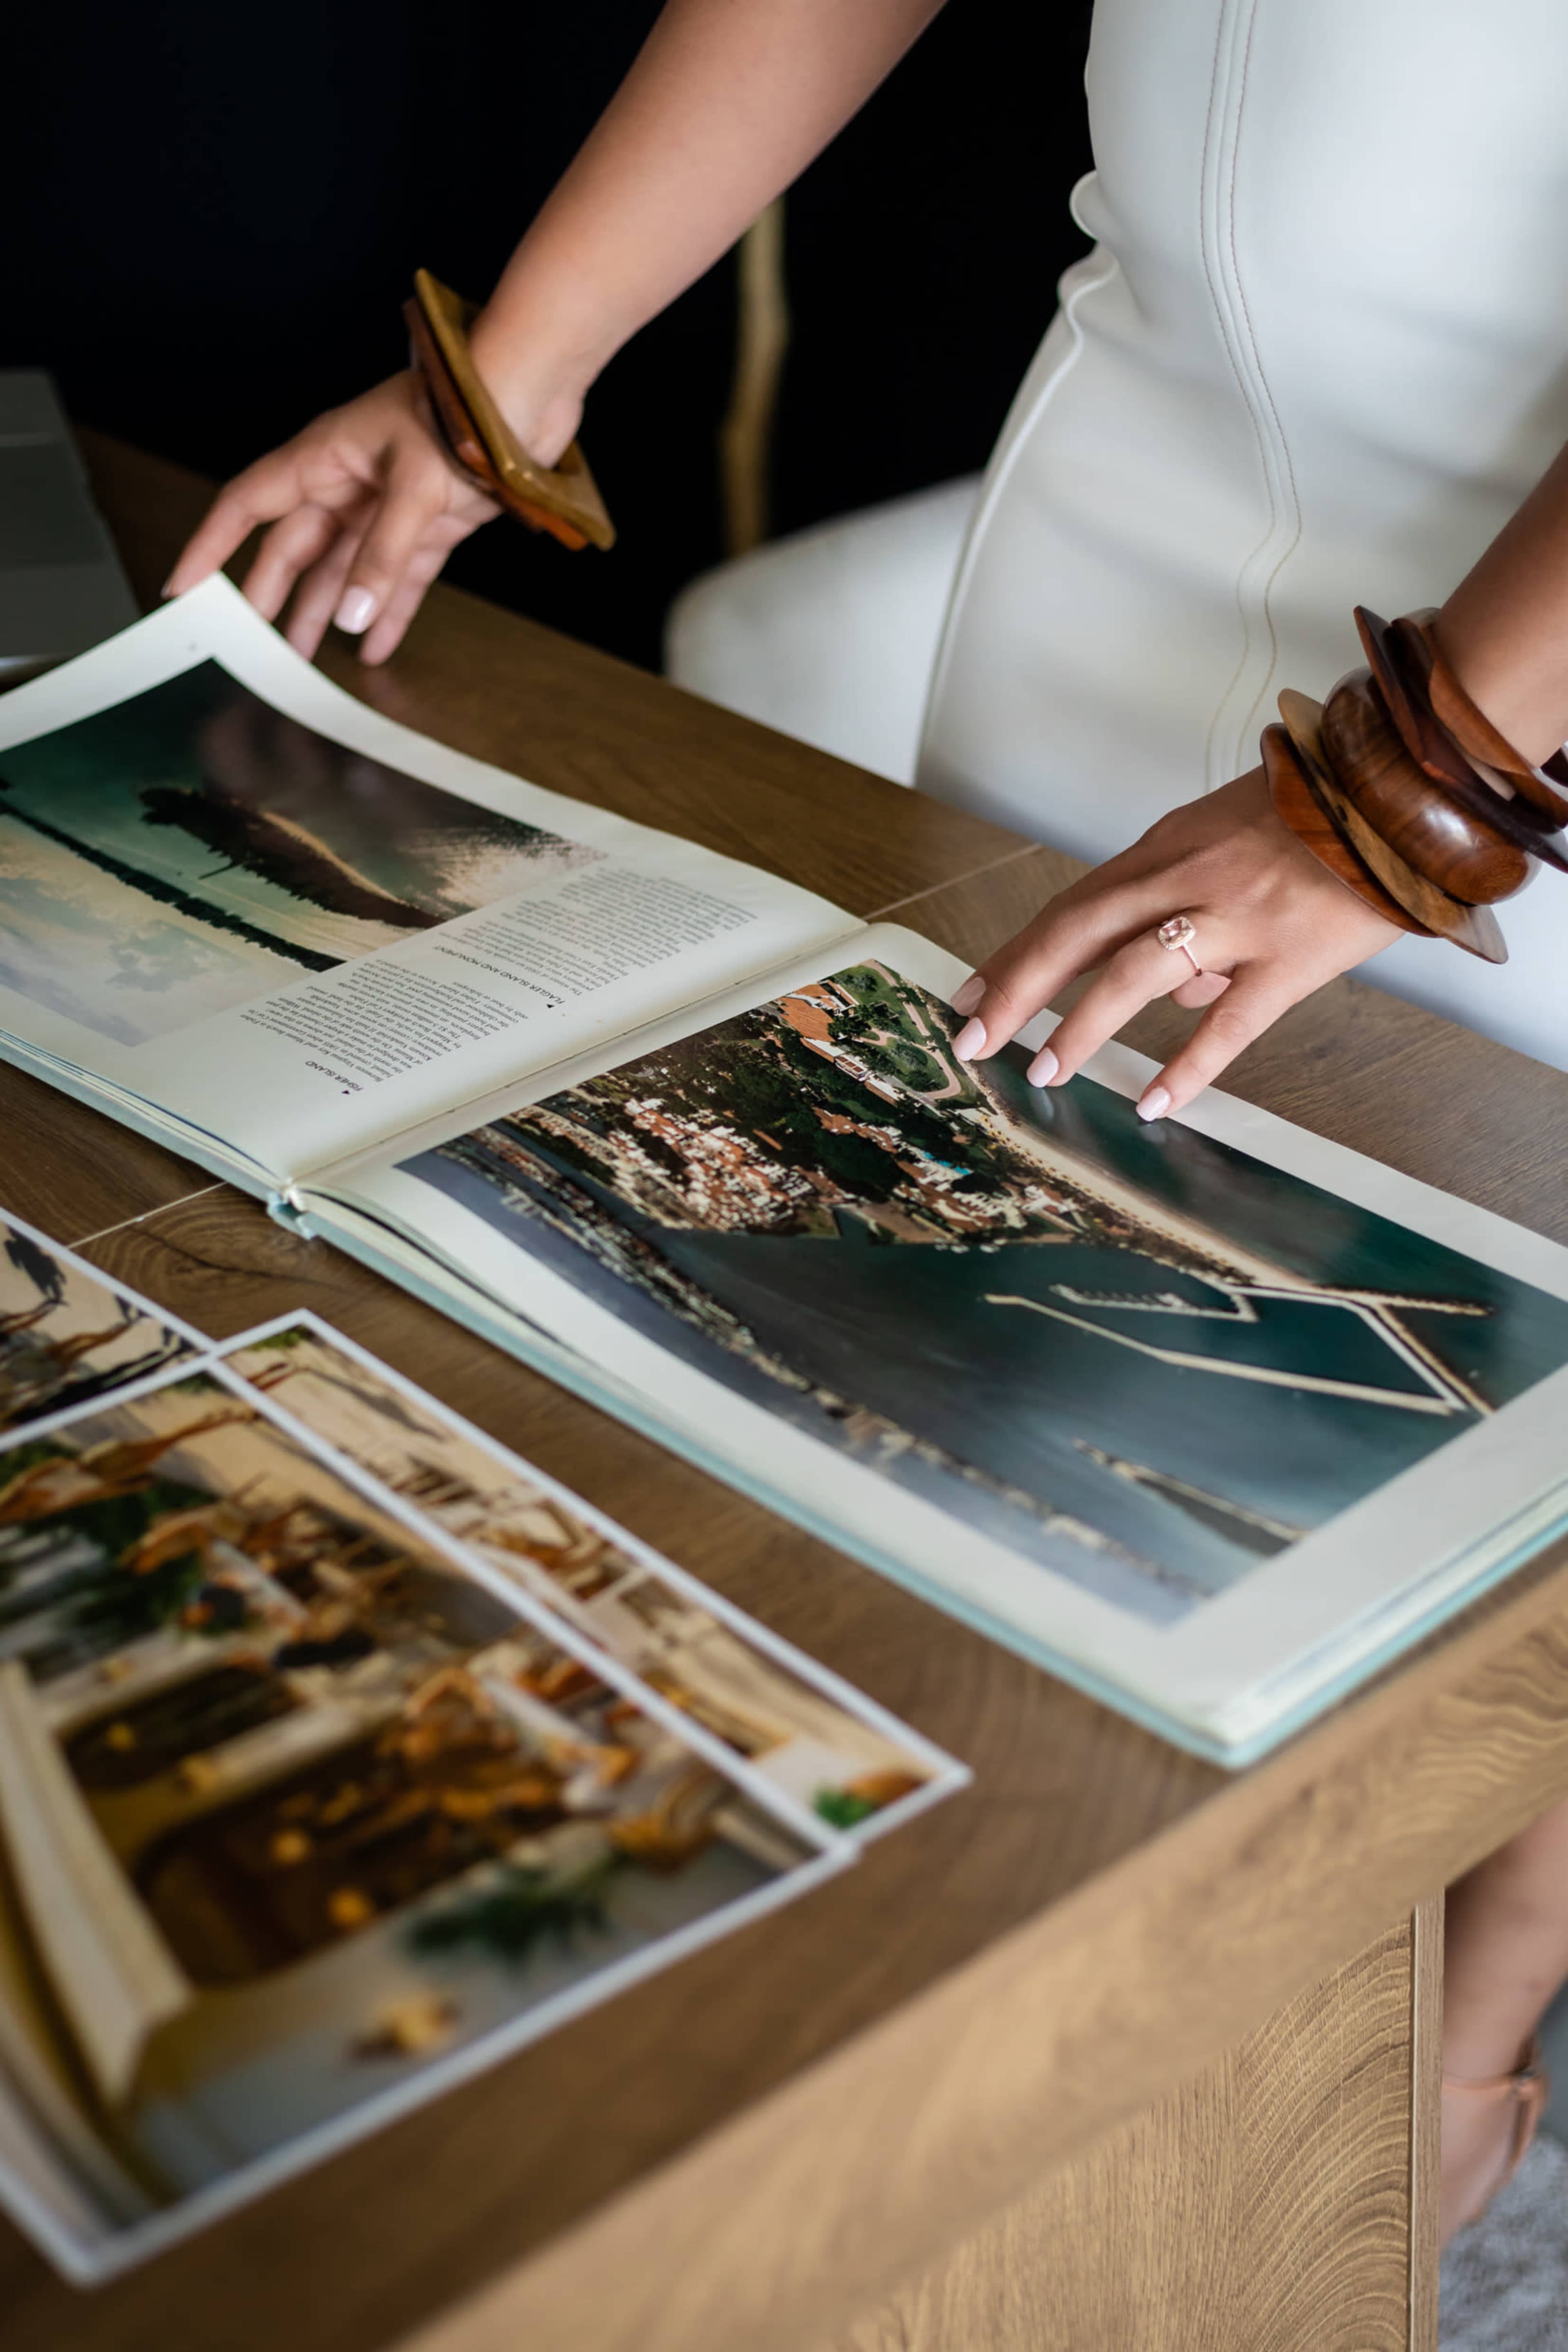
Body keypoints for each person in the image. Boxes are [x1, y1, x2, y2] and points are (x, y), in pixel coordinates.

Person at [167, 0, 1568, 2239]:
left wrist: (1427, 789)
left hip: (1528, 712)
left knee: (1497, 1411)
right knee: (988, 1313)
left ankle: (1487, 1986)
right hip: (1129, 501)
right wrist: (502, 378)